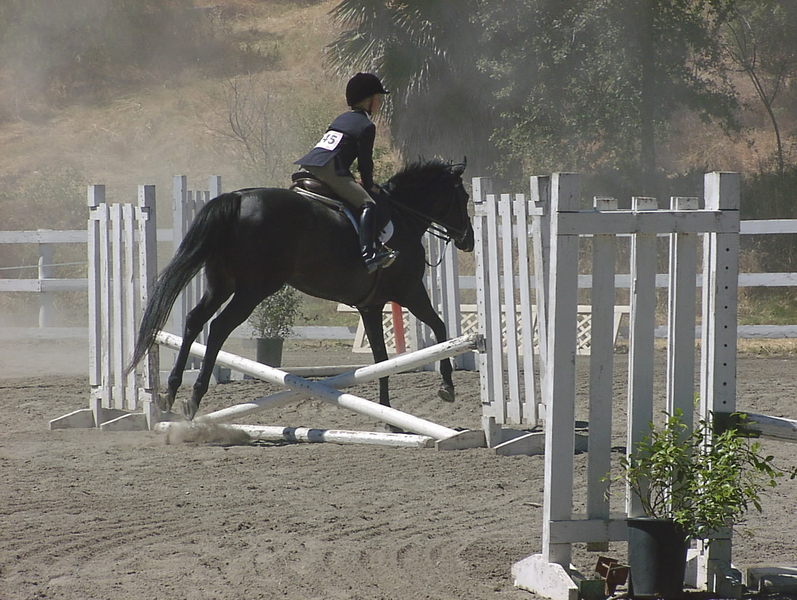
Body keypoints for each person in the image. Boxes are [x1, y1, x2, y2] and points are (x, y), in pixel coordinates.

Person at [295, 72, 395, 273]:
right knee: (368, 204)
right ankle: (369, 256)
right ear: (369, 100)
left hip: (308, 166)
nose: (380, 103)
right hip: (330, 170)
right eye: (378, 98)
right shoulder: (366, 126)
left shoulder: (341, 119)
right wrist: (369, 185)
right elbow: (365, 163)